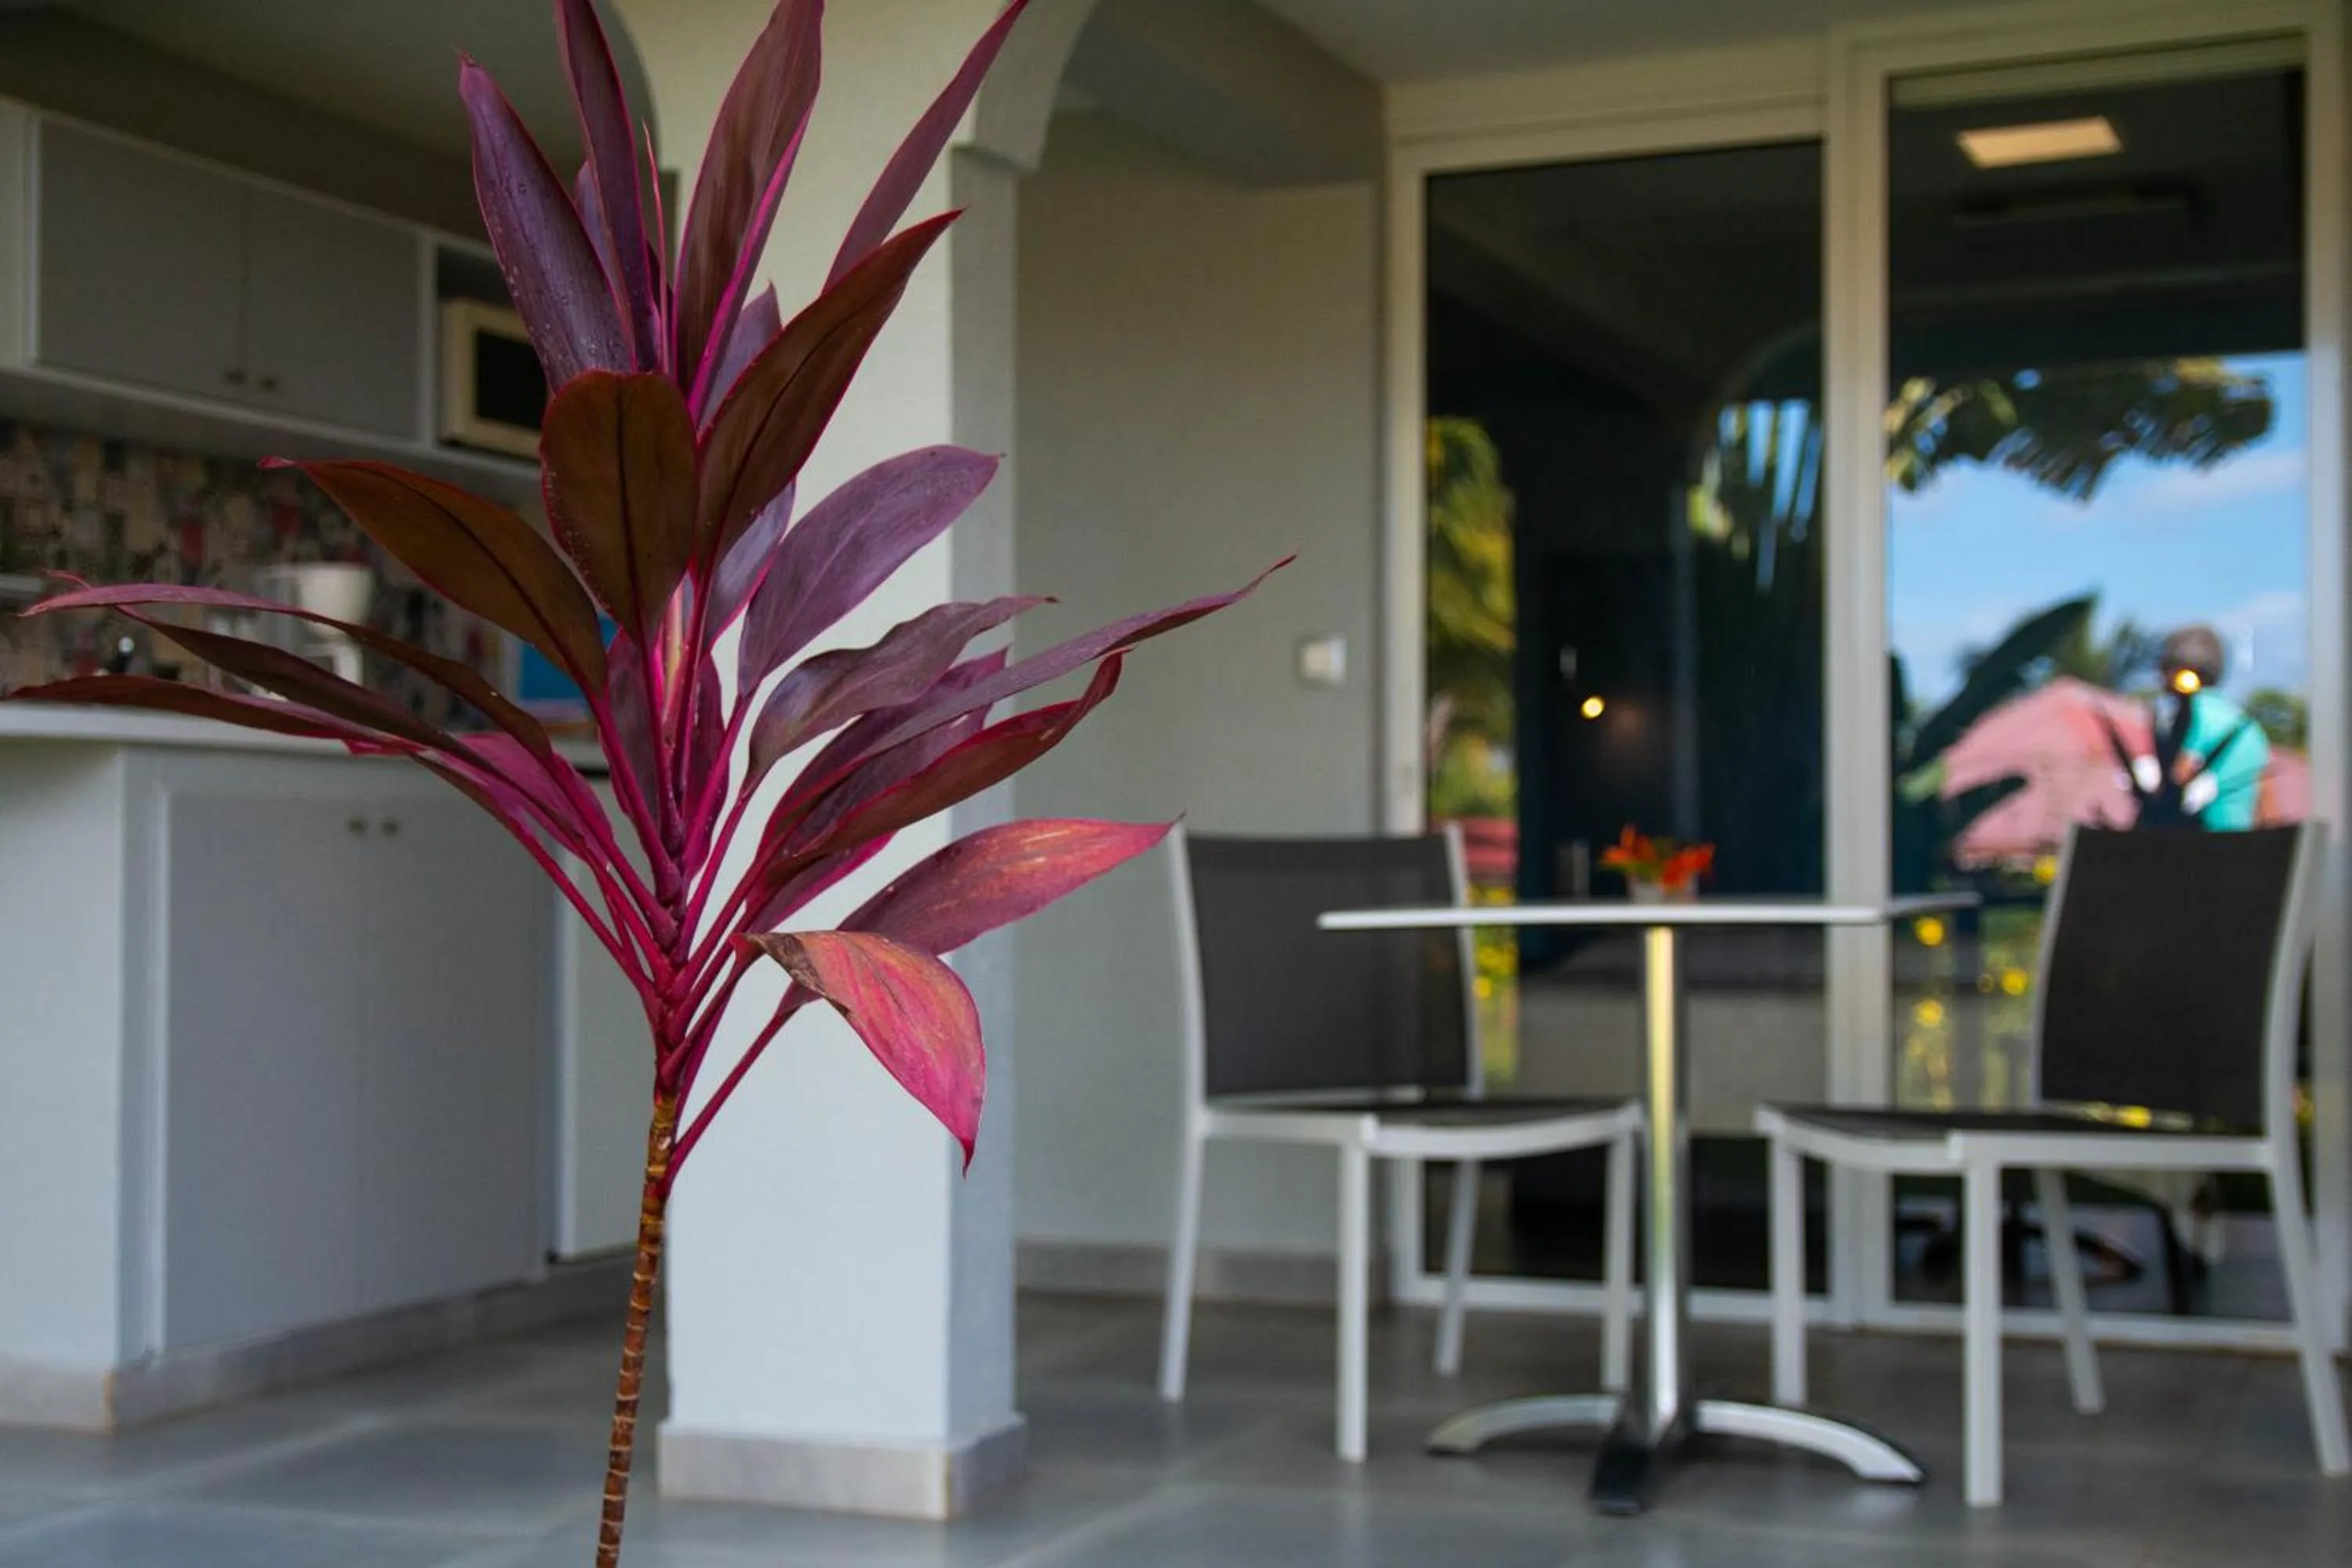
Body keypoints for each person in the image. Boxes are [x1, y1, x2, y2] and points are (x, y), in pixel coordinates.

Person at [2132, 625, 2269, 830]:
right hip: (2243, 844)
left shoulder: (2195, 715)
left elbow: (2179, 776)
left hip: (2200, 843)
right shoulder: (2248, 726)